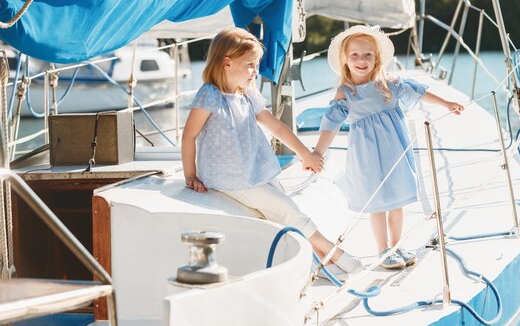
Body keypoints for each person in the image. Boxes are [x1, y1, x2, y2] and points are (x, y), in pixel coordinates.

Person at [181, 27, 363, 281]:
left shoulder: (246, 94)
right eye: (251, 65)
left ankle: (322, 261)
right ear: (227, 63)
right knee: (286, 208)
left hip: (252, 171)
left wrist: (305, 154)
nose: (255, 71)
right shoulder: (210, 95)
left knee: (282, 209)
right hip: (227, 176)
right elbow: (189, 136)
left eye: (256, 65)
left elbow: (275, 126)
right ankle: (335, 253)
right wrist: (191, 175)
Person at [313, 25, 464, 269]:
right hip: (368, 155)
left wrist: (446, 103)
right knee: (378, 203)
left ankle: (397, 245)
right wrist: (318, 152)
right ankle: (384, 250)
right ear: (345, 59)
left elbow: (420, 92)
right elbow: (331, 123)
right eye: (355, 55)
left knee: (396, 201)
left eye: (368, 55)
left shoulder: (389, 83)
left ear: (377, 58)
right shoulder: (346, 92)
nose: (362, 60)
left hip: (395, 151)